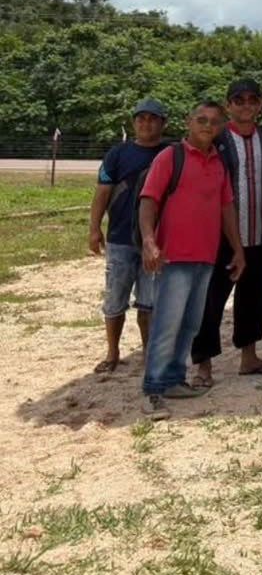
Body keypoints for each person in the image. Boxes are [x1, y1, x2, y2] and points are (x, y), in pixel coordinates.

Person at [138, 101, 245, 420]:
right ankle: (153, 389)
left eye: (214, 121)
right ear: (188, 122)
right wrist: (148, 240)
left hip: (206, 256)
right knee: (167, 324)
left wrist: (237, 248)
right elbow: (148, 200)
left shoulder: (219, 162)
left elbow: (226, 208)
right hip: (173, 256)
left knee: (190, 324)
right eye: (201, 119)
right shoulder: (170, 157)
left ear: (221, 126)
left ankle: (174, 380)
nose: (207, 126)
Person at [191, 78, 262, 387]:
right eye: (238, 100)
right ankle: (203, 364)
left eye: (251, 99)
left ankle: (249, 356)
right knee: (210, 301)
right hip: (220, 237)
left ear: (259, 105)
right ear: (229, 105)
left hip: (258, 234)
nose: (245, 105)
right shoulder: (215, 136)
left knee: (253, 298)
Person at [88, 97, 170, 374]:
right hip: (121, 239)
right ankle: (113, 352)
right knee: (115, 300)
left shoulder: (171, 154)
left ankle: (149, 353)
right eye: (141, 118)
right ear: (134, 122)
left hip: (157, 241)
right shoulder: (117, 154)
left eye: (152, 118)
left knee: (150, 301)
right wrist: (94, 228)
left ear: (163, 123)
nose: (146, 123)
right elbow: (102, 192)